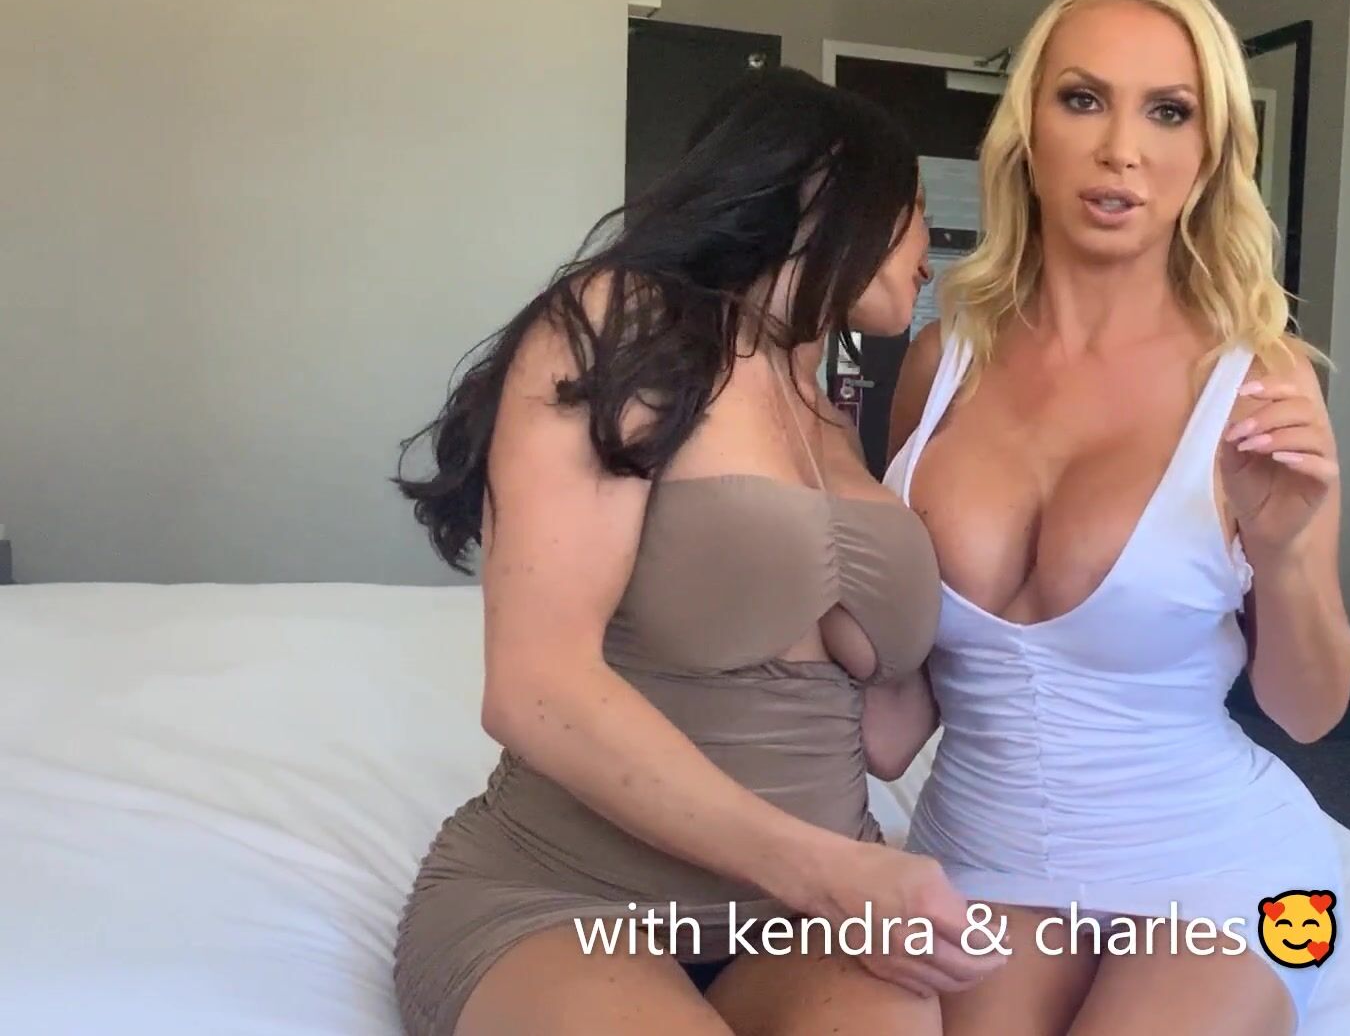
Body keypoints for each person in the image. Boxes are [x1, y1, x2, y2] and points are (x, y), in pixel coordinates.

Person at [389, 66, 1001, 1036]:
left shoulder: (829, 407)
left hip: (801, 924)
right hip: (570, 898)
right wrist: (830, 873)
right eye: (917, 210)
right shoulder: (626, 322)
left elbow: (885, 738)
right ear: (826, 191)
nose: (932, 252)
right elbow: (534, 689)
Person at [881, 0, 1350, 1036]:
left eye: (1169, 112)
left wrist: (1285, 556)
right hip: (983, 855)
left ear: (1211, 154)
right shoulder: (940, 363)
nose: (1122, 150)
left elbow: (1311, 712)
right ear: (1027, 132)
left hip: (1229, 871)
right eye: (1083, 99)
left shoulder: (1259, 378)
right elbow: (895, 701)